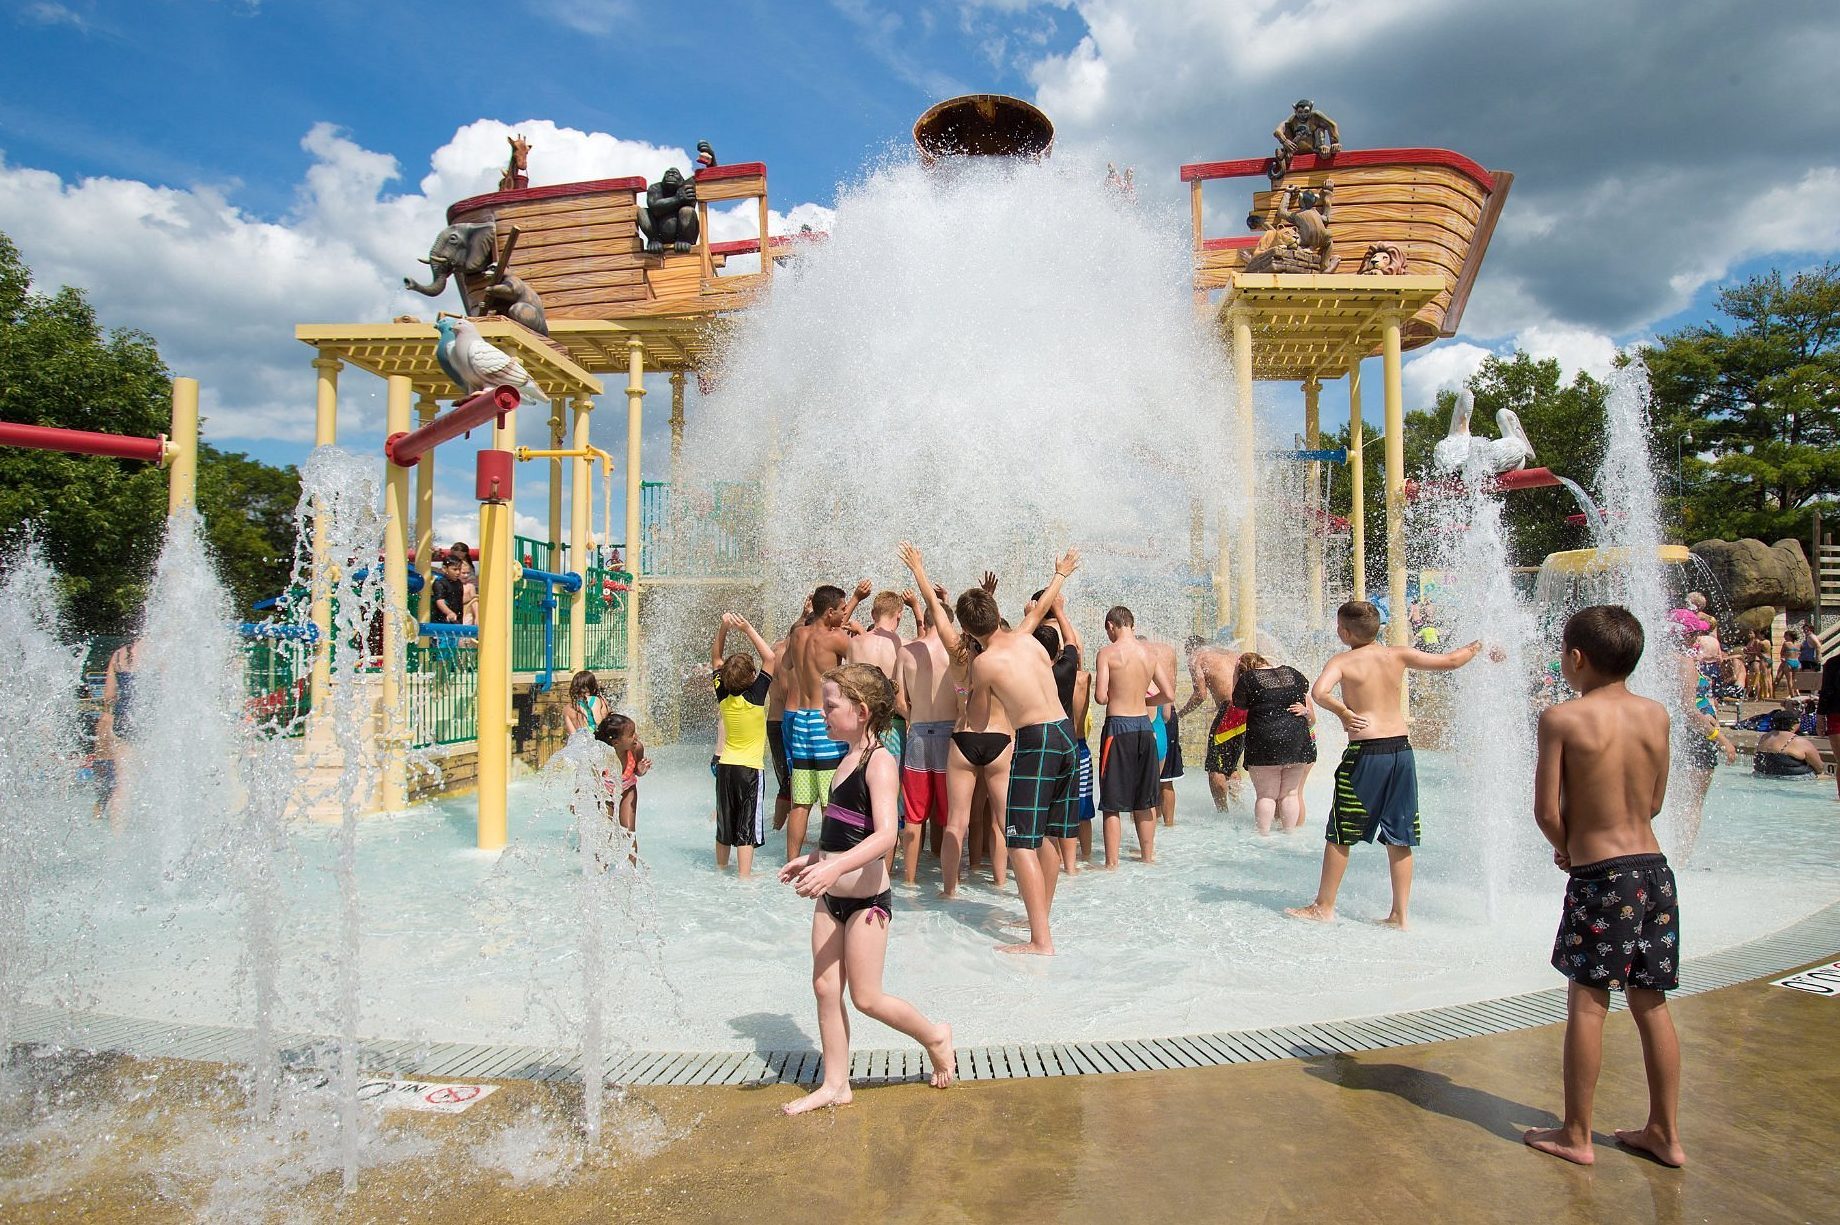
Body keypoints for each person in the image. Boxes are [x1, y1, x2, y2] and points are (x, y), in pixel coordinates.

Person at [1522, 604, 1685, 1169]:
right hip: (1654, 871)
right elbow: (1657, 801)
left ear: (1576, 658)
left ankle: (1577, 1134)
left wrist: (1568, 847)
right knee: (1652, 1004)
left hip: (1602, 877)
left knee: (1588, 1006)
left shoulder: (1563, 718)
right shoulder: (1655, 714)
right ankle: (1664, 1132)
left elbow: (1546, 810)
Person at [778, 663, 955, 1113]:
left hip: (866, 903)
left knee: (867, 998)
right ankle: (836, 1083)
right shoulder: (845, 759)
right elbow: (842, 832)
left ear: (859, 711)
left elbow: (884, 837)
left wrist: (834, 871)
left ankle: (935, 1036)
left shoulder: (880, 761)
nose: (822, 714)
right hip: (831, 896)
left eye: (830, 706)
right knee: (823, 987)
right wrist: (814, 860)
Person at [909, 543, 1079, 954]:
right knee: (1049, 838)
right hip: (1065, 735)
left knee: (1021, 841)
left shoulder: (981, 661)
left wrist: (968, 692)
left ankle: (1041, 940)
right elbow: (1038, 612)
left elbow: (980, 714)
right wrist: (1060, 574)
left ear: (966, 629)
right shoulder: (1028, 638)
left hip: (1034, 741)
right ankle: (1040, 916)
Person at [1286, 600, 1487, 929]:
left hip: (1366, 754)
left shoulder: (1343, 660)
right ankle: (1400, 915)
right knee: (1401, 834)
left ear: (1344, 632)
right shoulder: (1398, 654)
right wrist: (1482, 643)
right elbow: (1452, 660)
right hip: (1401, 753)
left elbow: (1319, 693)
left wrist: (1345, 713)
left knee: (1341, 831)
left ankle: (1324, 906)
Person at [781, 580, 869, 860]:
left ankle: (792, 861)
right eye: (842, 610)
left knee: (801, 801)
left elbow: (786, 665)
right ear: (830, 612)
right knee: (832, 794)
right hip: (824, 721)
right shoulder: (837, 639)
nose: (845, 615)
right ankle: (829, 858)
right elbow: (860, 668)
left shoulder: (797, 636)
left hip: (801, 722)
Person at [1095, 606, 1176, 868]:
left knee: (1112, 802)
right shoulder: (1149, 654)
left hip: (1118, 728)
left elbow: (1100, 697)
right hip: (1144, 727)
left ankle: (1111, 863)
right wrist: (1142, 698)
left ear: (1111, 626)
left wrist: (1117, 695)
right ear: (1132, 624)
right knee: (1145, 798)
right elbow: (1169, 695)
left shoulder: (1107, 653)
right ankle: (1148, 857)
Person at [896, 586, 957, 887]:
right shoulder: (955, 651)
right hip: (949, 734)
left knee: (914, 813)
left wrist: (914, 716)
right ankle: (951, 882)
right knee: (949, 814)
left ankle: (908, 881)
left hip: (919, 732)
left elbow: (897, 700)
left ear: (926, 621)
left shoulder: (906, 651)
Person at [712, 613, 776, 877]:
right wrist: (748, 628)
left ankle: (720, 868)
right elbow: (770, 658)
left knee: (725, 819)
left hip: (725, 767)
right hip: (749, 769)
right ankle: (744, 876)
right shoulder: (755, 695)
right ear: (752, 675)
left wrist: (723, 628)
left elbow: (715, 658)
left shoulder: (723, 693)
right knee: (746, 823)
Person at [1231, 651, 1318, 835]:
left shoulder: (1248, 679)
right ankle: (1290, 836)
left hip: (1265, 740)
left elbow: (1238, 704)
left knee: (1266, 795)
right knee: (1290, 793)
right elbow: (1303, 692)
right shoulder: (1292, 673)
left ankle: (1263, 836)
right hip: (1296, 739)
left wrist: (1235, 677)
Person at [1178, 637, 1245, 810]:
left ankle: (1222, 813)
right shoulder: (1229, 654)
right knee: (1231, 764)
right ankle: (1239, 806)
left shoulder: (1197, 657)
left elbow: (1200, 695)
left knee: (1215, 766)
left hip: (1229, 711)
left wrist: (1180, 714)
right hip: (1246, 710)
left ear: (1189, 650)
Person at [99, 638, 143, 828]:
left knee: (124, 785)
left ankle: (117, 837)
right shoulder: (163, 652)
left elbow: (109, 695)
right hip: (150, 723)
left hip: (123, 723)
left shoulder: (119, 654)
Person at [594, 712, 650, 848]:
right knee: (605, 835)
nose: (635, 737)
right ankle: (600, 868)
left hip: (627, 792)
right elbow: (588, 778)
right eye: (631, 735)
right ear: (616, 742)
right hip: (605, 795)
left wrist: (640, 771)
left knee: (629, 834)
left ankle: (632, 869)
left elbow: (635, 771)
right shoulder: (600, 756)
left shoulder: (636, 748)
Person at [1149, 636, 1185, 827]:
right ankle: (1169, 825)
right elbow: (1172, 685)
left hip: (1148, 716)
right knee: (1167, 779)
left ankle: (1142, 828)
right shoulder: (1168, 649)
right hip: (1167, 712)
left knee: (1142, 782)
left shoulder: (1138, 652)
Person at [1752, 705, 1824, 778]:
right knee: (1826, 777)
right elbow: (1819, 767)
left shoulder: (1765, 737)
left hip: (1761, 775)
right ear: (1793, 724)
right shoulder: (1799, 741)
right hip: (1793, 778)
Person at [561, 669, 606, 737]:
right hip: (595, 739)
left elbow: (572, 735)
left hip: (581, 742)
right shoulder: (594, 700)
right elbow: (598, 721)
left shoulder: (566, 709)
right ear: (593, 686)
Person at [448, 542, 479, 624]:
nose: (459, 558)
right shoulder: (450, 565)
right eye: (457, 556)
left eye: (462, 556)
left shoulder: (465, 567)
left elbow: (473, 597)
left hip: (467, 593)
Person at [432, 556, 468, 624]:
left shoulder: (458, 583)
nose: (458, 572)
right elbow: (440, 601)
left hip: (457, 620)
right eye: (454, 569)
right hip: (442, 621)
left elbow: (458, 600)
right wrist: (449, 613)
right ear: (444, 569)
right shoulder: (440, 583)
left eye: (459, 569)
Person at [1742, 628, 1773, 701]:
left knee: (1758, 679)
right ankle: (1768, 696)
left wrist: (1748, 653)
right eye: (1748, 633)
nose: (1749, 635)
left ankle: (1761, 696)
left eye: (1751, 633)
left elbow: (1757, 652)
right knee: (1759, 679)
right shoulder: (1751, 642)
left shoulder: (1757, 641)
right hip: (1758, 660)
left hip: (1757, 660)